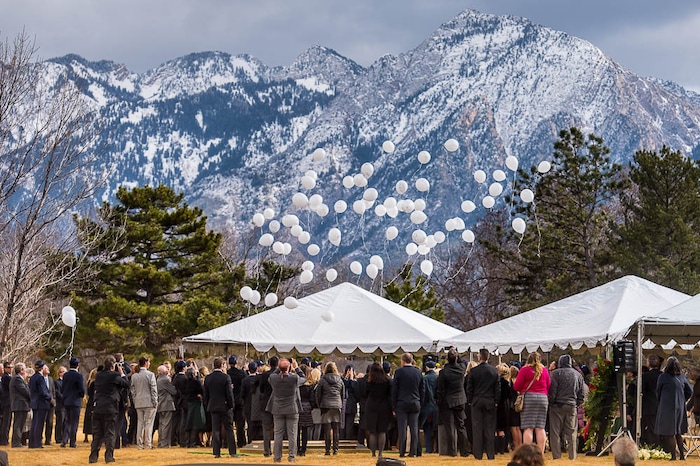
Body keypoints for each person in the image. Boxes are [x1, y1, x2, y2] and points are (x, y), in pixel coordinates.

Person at [89, 355, 130, 464]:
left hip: (98, 406)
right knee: (110, 432)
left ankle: (93, 456)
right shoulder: (115, 376)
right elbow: (126, 384)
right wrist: (121, 373)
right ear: (113, 366)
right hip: (110, 408)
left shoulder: (98, 375)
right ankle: (109, 456)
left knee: (97, 433)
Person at [267, 357, 306, 463]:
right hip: (292, 409)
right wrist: (296, 367)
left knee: (278, 434)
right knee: (292, 434)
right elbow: (304, 378)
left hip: (278, 409)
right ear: (289, 367)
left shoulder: (273, 378)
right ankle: (291, 457)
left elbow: (272, 375)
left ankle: (277, 457)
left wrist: (280, 367)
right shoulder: (294, 379)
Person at [655, 356, 692, 460]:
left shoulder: (663, 376)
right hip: (680, 406)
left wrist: (661, 401)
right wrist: (682, 399)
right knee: (678, 432)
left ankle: (673, 456)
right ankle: (682, 455)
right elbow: (690, 391)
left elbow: (658, 391)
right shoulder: (682, 377)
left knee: (669, 432)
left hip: (667, 406)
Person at [513, 352, 550, 455]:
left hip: (529, 398)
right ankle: (541, 454)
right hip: (543, 398)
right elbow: (548, 385)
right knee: (540, 427)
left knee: (528, 428)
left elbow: (517, 386)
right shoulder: (544, 371)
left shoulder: (524, 370)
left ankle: (527, 454)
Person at [548, 354, 584, 460]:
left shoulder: (556, 373)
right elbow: (581, 394)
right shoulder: (578, 375)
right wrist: (576, 404)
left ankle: (557, 457)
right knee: (572, 433)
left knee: (555, 432)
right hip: (572, 405)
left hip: (557, 406)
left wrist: (551, 403)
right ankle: (572, 456)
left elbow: (553, 390)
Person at [466, 348, 500, 460]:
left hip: (477, 400)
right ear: (488, 357)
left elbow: (469, 388)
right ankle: (490, 453)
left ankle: (478, 454)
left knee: (477, 428)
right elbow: (497, 388)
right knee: (490, 428)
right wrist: (496, 401)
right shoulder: (494, 371)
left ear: (479, 357)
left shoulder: (473, 371)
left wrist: (470, 400)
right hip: (490, 401)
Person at [436, 347, 469, 457]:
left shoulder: (443, 372)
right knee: (461, 426)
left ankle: (452, 451)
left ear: (447, 359)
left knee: (450, 427)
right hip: (460, 399)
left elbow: (440, 389)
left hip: (447, 401)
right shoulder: (461, 369)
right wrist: (456, 353)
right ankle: (464, 451)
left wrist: (439, 402)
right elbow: (461, 362)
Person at [202, 357, 237, 458]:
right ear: (222, 365)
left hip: (213, 406)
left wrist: (207, 404)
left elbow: (206, 394)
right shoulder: (226, 377)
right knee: (229, 429)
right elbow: (229, 394)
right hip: (225, 406)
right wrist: (231, 405)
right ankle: (232, 452)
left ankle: (216, 452)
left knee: (215, 429)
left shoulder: (208, 378)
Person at [392, 352, 423, 458]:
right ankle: (413, 451)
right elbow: (422, 390)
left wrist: (394, 405)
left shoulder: (398, 372)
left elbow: (394, 390)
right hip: (415, 402)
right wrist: (420, 402)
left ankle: (402, 450)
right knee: (414, 428)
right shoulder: (418, 373)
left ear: (402, 361)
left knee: (402, 428)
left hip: (402, 403)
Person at [363, 362, 393, 458]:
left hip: (371, 406)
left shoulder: (369, 381)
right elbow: (390, 394)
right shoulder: (387, 380)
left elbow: (365, 393)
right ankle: (380, 452)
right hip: (384, 406)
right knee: (382, 431)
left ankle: (373, 453)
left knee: (372, 431)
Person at [316, 361, 345, 456]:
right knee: (336, 429)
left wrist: (319, 405)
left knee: (327, 429)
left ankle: (327, 450)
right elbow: (343, 394)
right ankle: (335, 449)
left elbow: (318, 394)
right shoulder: (340, 380)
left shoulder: (323, 380)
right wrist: (339, 403)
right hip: (337, 405)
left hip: (325, 405)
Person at [130, 356, 157, 450]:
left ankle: (139, 444)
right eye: (148, 362)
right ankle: (148, 444)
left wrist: (135, 400)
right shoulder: (150, 375)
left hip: (138, 402)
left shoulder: (134, 376)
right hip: (149, 402)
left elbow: (132, 390)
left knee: (140, 423)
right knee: (149, 424)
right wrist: (155, 402)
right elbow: (153, 390)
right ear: (145, 363)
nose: (149, 364)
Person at [61, 357, 85, 449]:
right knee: (74, 422)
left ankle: (64, 440)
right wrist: (81, 395)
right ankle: (72, 442)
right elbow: (81, 389)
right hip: (75, 401)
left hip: (67, 400)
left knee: (68, 421)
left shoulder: (66, 375)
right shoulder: (78, 376)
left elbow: (63, 388)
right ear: (78, 365)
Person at [28, 360, 52, 449]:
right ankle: (37, 443)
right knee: (39, 424)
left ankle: (32, 442)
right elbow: (42, 391)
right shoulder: (40, 378)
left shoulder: (33, 377)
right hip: (41, 403)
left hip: (34, 402)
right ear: (42, 368)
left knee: (34, 423)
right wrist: (49, 398)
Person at [641, 354, 662, 447]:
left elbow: (643, 391)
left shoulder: (645, 376)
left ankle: (654, 445)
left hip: (649, 406)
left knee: (651, 427)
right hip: (662, 405)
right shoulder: (663, 375)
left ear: (648, 364)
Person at [226, 355, 247, 448]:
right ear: (236, 362)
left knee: (229, 424)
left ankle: (227, 442)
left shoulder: (226, 374)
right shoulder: (241, 374)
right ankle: (241, 441)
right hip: (239, 401)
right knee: (240, 424)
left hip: (229, 401)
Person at [419, 360, 438, 454]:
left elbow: (423, 393)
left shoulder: (424, 378)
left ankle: (429, 448)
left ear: (426, 368)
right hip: (437, 406)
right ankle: (438, 448)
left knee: (427, 428)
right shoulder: (438, 378)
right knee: (437, 429)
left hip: (427, 406)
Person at [156, 364, 177, 448]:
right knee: (166, 424)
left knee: (161, 424)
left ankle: (160, 442)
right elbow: (173, 391)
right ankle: (164, 443)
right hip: (167, 404)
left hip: (160, 403)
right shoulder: (165, 380)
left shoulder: (158, 379)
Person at [10, 362, 30, 448]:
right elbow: (24, 391)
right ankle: (16, 442)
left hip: (22, 405)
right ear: (21, 370)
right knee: (18, 424)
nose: (25, 370)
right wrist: (31, 396)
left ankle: (18, 441)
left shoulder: (19, 379)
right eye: (24, 369)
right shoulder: (17, 379)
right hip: (20, 404)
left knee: (20, 424)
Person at [184, 366, 205, 447]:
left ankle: (188, 442)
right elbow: (201, 391)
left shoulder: (186, 382)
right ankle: (193, 442)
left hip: (189, 403)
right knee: (196, 423)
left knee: (189, 422)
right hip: (196, 403)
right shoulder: (196, 382)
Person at [297, 365, 314, 457]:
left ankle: (297, 447)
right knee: (305, 430)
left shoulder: (297, 385)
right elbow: (312, 399)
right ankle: (303, 449)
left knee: (296, 430)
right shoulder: (310, 386)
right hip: (307, 407)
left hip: (297, 407)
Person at [496, 363, 513, 455]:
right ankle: (502, 449)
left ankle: (495, 449)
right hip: (504, 407)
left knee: (495, 429)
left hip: (496, 406)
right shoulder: (507, 384)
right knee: (502, 429)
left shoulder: (496, 382)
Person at [241, 361, 259, 442]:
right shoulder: (259, 379)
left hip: (248, 405)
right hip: (258, 405)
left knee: (249, 424)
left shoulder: (245, 380)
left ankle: (250, 441)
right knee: (258, 425)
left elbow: (242, 394)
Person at [171, 360, 188, 447]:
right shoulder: (184, 378)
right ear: (183, 368)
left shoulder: (175, 377)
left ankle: (173, 439)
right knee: (182, 421)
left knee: (175, 421)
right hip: (182, 402)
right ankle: (182, 440)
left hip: (175, 401)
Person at [508, 365, 523, 451]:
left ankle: (517, 445)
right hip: (518, 407)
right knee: (518, 427)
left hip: (512, 406)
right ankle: (520, 444)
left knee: (513, 427)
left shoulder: (510, 383)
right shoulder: (519, 383)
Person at [43, 364, 57, 445]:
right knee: (42, 422)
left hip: (51, 404)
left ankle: (48, 440)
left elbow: (53, 391)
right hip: (43, 404)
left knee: (50, 422)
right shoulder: (40, 379)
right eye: (45, 368)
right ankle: (39, 439)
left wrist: (53, 400)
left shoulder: (51, 379)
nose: (47, 369)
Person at [84, 368, 98, 443]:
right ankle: (94, 435)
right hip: (94, 401)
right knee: (94, 420)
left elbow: (89, 393)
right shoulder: (95, 383)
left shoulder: (89, 382)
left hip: (90, 401)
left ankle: (86, 436)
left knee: (87, 419)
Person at [0, 361, 12, 445]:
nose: (10, 368)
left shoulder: (7, 377)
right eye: (8, 367)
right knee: (6, 422)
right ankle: (4, 440)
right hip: (6, 402)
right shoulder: (6, 377)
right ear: (5, 369)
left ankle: (5, 438)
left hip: (8, 402)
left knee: (7, 421)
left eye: (11, 367)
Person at [54, 365, 66, 445]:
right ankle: (58, 438)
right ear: (59, 373)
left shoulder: (67, 382)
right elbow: (57, 393)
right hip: (60, 405)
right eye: (63, 372)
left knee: (65, 422)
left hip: (66, 405)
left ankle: (64, 437)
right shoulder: (57, 382)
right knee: (60, 422)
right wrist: (65, 397)